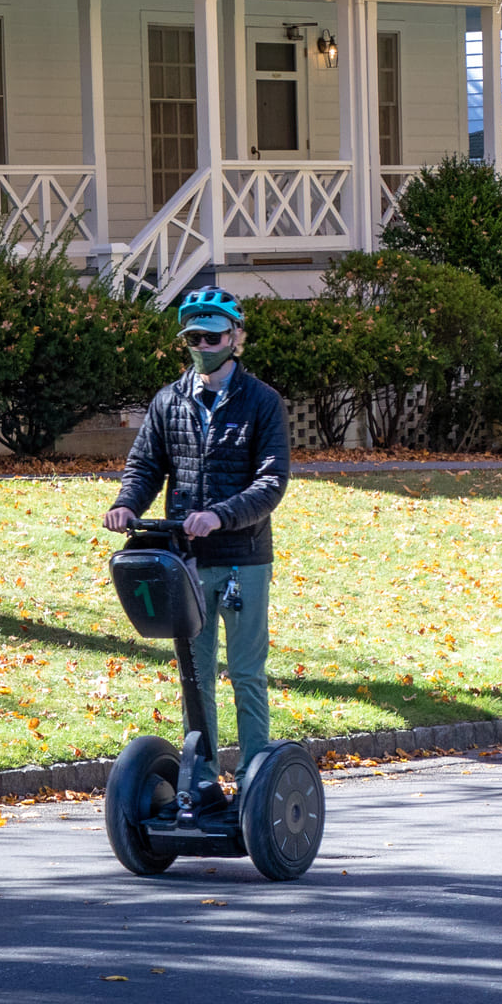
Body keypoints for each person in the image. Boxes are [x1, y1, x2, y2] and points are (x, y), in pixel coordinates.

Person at [105, 287, 290, 765]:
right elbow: (145, 465)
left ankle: (255, 778)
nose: (202, 347)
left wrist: (220, 516)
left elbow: (271, 482)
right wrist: (126, 505)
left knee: (246, 675)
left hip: (242, 561)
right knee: (194, 675)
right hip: (184, 561)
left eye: (212, 337)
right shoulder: (169, 401)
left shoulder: (262, 402)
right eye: (194, 338)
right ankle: (201, 780)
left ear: (236, 338)